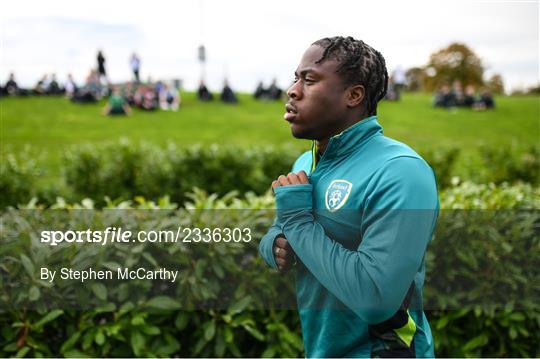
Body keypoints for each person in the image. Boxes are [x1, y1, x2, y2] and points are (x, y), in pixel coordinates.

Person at [258, 36, 439, 358]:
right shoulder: (307, 161)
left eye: (310, 80)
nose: (293, 90)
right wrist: (275, 246)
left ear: (353, 95)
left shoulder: (401, 171)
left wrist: (298, 222)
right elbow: (280, 228)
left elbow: (376, 299)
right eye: (295, 78)